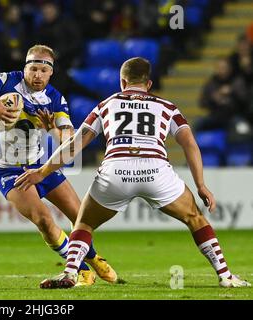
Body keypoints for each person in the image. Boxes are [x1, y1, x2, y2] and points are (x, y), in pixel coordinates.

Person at [15, 57, 251, 289]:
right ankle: (225, 276)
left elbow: (76, 145)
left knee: (84, 224)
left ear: (122, 82)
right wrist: (201, 184)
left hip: (116, 170)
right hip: (155, 170)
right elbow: (189, 143)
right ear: (148, 84)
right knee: (195, 218)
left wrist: (42, 172)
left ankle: (69, 273)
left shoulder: (106, 105)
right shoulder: (167, 107)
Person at [0, 44, 117, 286]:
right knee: (43, 219)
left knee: (80, 215)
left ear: (51, 73)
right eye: (33, 68)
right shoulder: (3, 82)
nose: (37, 75)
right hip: (7, 169)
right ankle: (83, 270)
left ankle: (93, 259)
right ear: (25, 68)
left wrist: (52, 127)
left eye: (43, 70)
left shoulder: (54, 98)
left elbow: (68, 140)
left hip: (41, 164)